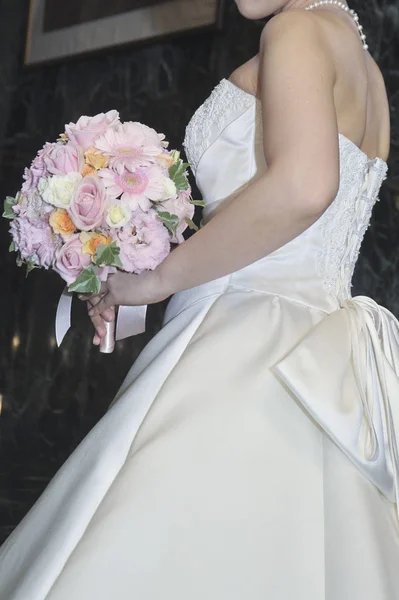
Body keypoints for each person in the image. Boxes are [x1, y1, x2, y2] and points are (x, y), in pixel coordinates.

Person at [0, 1, 397, 598]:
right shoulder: (361, 62)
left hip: (249, 344)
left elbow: (306, 186)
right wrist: (138, 253)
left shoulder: (296, 30)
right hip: (322, 352)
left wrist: (156, 282)